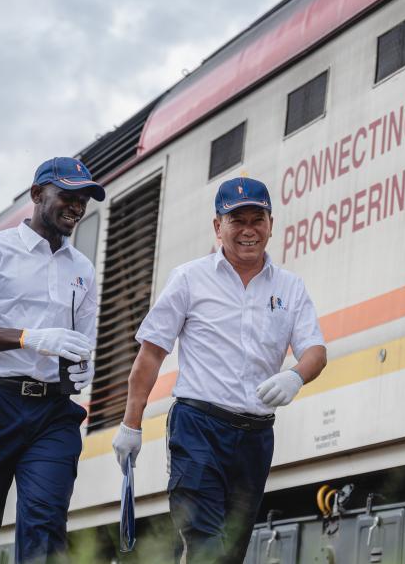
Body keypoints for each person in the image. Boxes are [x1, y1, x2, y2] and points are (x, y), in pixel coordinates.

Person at [112, 177, 327, 564]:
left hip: (255, 439)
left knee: (231, 553)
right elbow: (151, 354)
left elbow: (315, 350)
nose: (248, 230)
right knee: (205, 544)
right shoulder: (189, 279)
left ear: (271, 224)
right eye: (236, 220)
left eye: (256, 219)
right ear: (218, 227)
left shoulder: (290, 288)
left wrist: (296, 375)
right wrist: (131, 425)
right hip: (198, 429)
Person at [0, 157, 105, 564]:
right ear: (37, 194)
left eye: (83, 199)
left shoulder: (82, 269)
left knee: (46, 527)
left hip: (52, 413)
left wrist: (83, 368)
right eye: (67, 195)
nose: (77, 206)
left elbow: (81, 341)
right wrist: (28, 338)